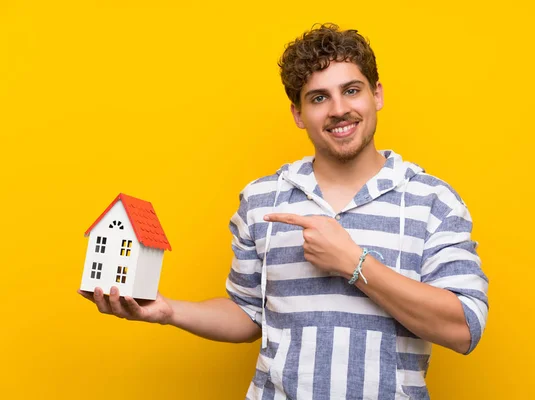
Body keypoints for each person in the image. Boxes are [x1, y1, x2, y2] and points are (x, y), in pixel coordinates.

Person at [79, 23, 488, 400]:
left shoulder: (433, 200)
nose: (338, 110)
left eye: (351, 90)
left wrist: (354, 263)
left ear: (376, 94)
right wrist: (169, 311)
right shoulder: (262, 199)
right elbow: (247, 314)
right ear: (298, 113)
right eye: (318, 98)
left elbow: (464, 328)